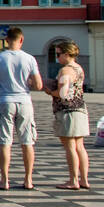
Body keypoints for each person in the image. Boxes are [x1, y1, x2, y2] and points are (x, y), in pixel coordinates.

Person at [0, 27, 43, 191]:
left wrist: (0, 82)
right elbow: (38, 85)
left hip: (5, 100)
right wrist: (28, 83)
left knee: (5, 142)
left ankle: (4, 180)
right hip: (24, 101)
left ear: (6, 40)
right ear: (21, 39)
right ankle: (28, 179)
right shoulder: (30, 59)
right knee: (27, 142)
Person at [42, 40, 90, 189]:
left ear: (66, 54)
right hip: (80, 109)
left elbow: (63, 93)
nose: (57, 58)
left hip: (67, 111)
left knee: (70, 146)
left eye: (58, 54)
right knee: (80, 146)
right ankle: (84, 179)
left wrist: (50, 91)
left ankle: (73, 180)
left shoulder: (65, 70)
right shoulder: (78, 68)